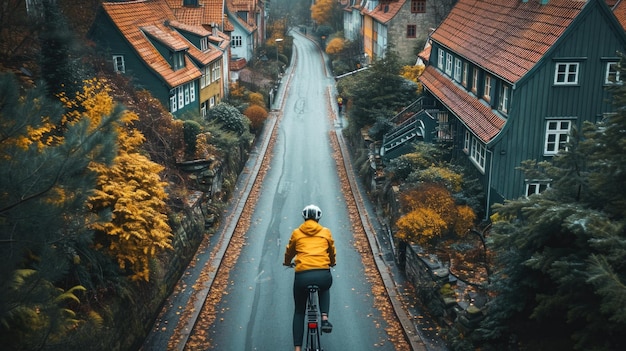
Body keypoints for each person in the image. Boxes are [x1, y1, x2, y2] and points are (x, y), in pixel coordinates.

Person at [284, 204, 336, 351]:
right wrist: (331, 262)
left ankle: (297, 349)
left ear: (304, 218)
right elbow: (331, 250)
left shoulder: (297, 233)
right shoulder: (326, 232)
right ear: (318, 218)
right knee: (325, 286)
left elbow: (290, 250)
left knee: (299, 311)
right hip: (322, 274)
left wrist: (287, 262)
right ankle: (324, 318)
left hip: (302, 277)